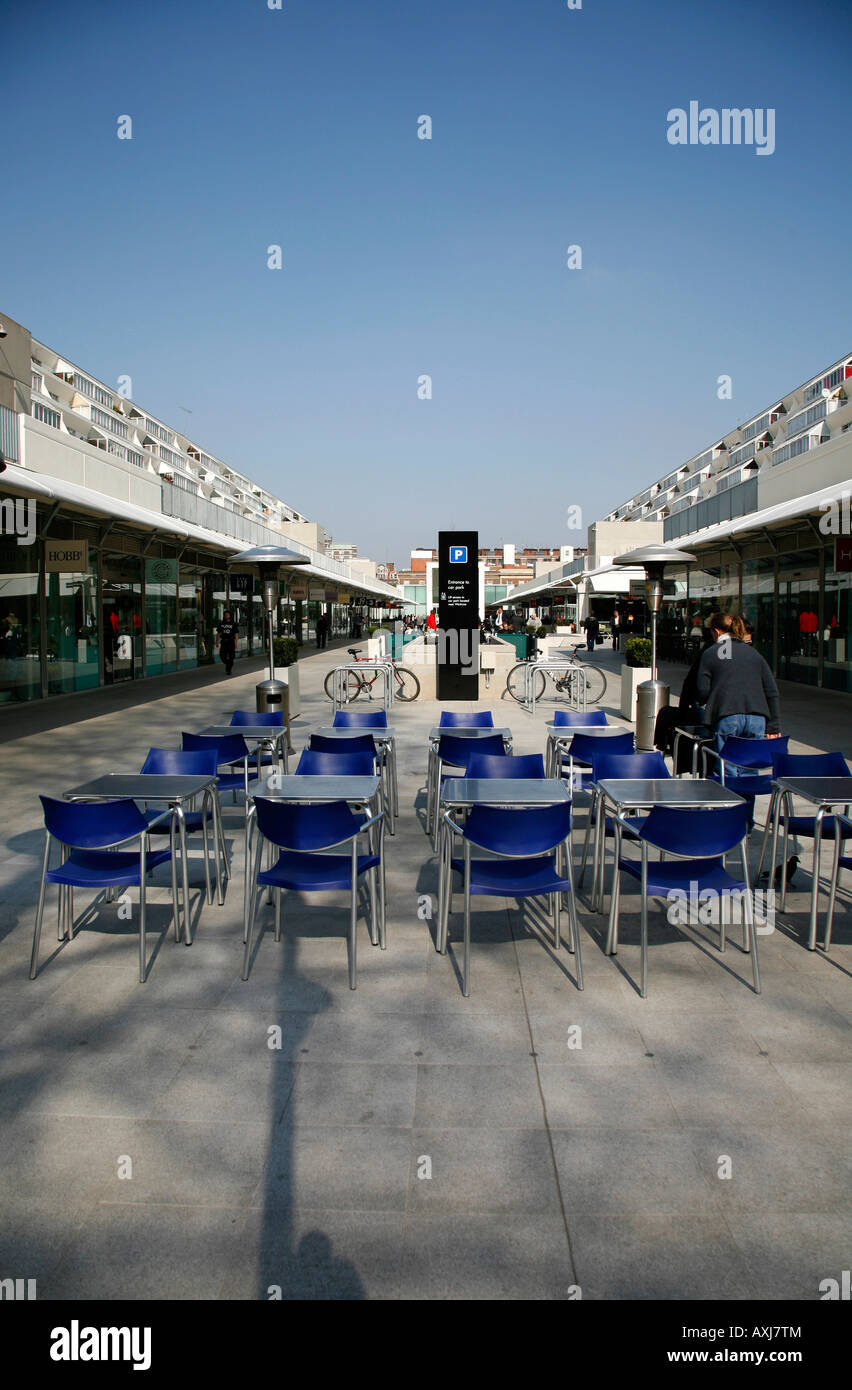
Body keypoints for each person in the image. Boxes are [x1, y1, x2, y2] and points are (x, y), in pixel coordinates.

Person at [695, 611, 782, 754]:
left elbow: (702, 691)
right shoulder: (753, 653)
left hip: (727, 715)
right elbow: (771, 691)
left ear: (716, 631)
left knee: (726, 768)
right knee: (749, 765)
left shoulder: (711, 653)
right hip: (757, 718)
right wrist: (774, 725)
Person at [217, 609, 238, 675]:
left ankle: (228, 669)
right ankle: (228, 663)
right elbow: (218, 633)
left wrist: (236, 642)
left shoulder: (233, 623)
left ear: (230, 615)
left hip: (231, 641)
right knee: (222, 655)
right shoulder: (221, 623)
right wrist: (217, 641)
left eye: (227, 615)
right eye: (225, 615)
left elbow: (236, 633)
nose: (226, 616)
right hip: (223, 641)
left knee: (231, 656)